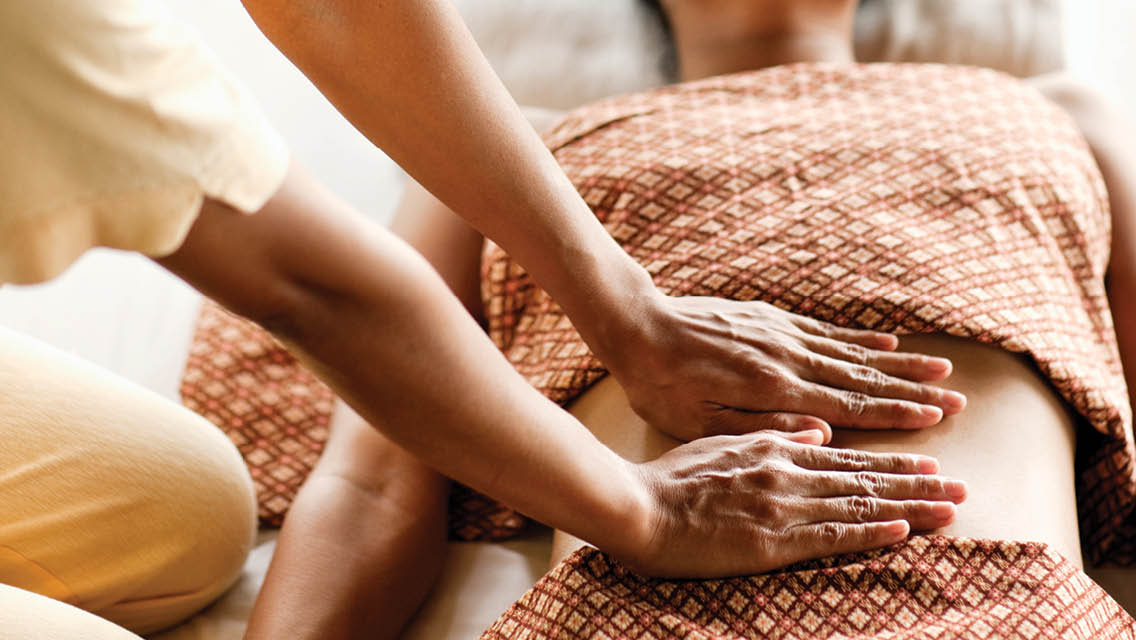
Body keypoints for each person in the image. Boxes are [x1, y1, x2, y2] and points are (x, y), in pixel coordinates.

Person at [0, 0, 968, 638]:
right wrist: (642, 505)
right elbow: (351, 407)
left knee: (187, 511)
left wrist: (623, 307)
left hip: (970, 587)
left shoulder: (1039, 108)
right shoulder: (532, 149)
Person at [384, 0, 1136, 636]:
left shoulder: (1063, 108)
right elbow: (375, 481)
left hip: (1001, 607)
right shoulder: (502, 148)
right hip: (630, 610)